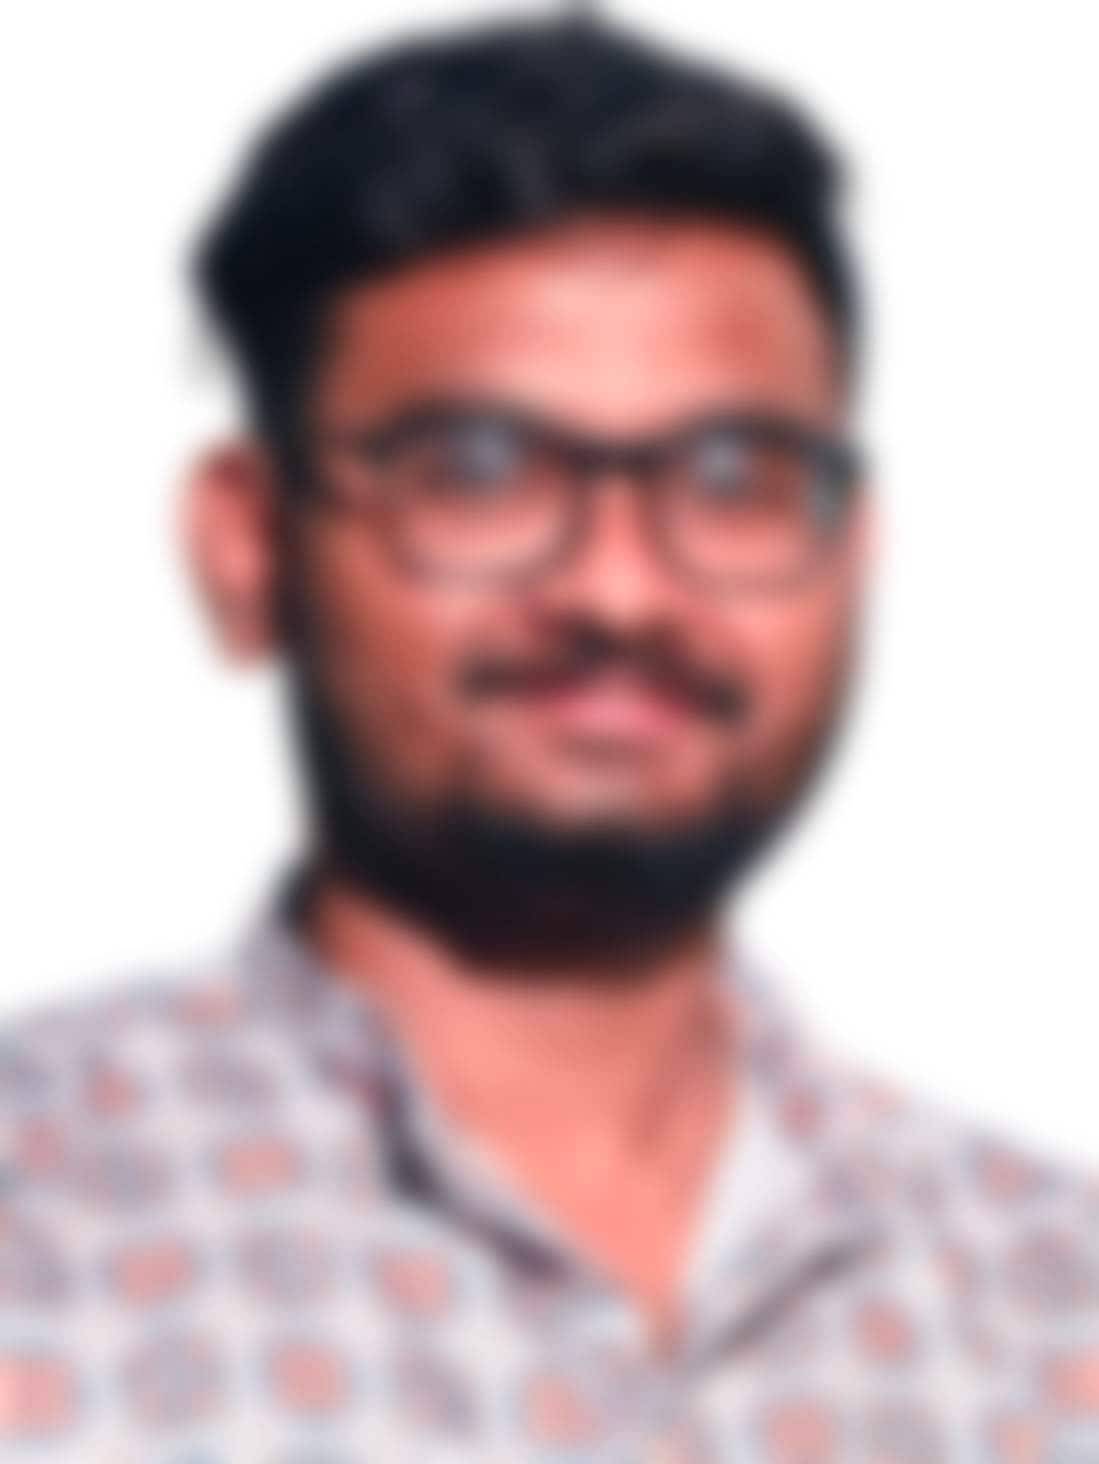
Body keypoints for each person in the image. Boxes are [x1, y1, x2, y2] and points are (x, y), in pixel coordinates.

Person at [2, 13, 1096, 1461]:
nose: (619, 591)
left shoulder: (1048, 1303)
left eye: (733, 478)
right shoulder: (42, 1233)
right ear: (249, 546)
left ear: (850, 549)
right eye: (477, 470)